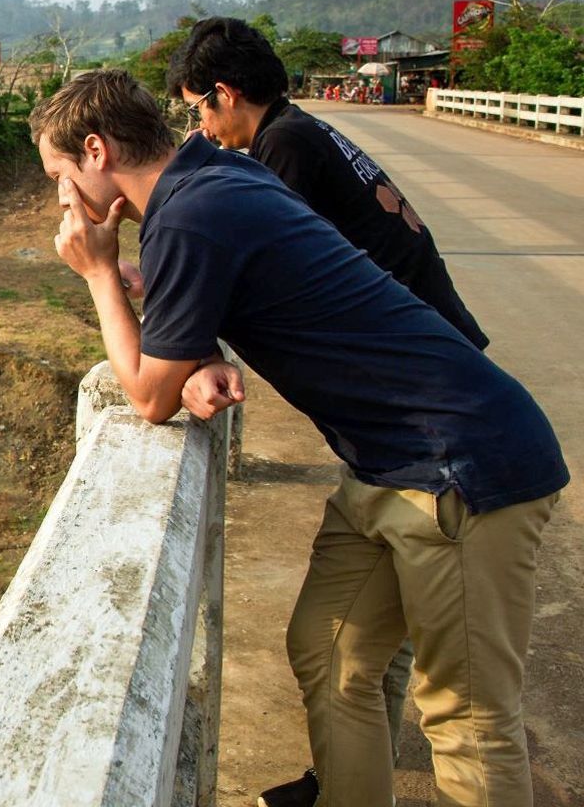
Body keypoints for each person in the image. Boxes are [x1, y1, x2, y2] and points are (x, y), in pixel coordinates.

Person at [33, 69, 565, 807]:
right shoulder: (213, 175)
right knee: (332, 651)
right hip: (389, 464)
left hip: (461, 466)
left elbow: (150, 397)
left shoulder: (189, 214)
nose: (63, 200)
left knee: (468, 722)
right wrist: (200, 351)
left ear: (95, 150)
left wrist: (97, 273)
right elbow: (222, 297)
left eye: (61, 177)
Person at [168, 18, 492, 806]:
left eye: (200, 113)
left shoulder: (284, 151)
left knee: (428, 676)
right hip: (424, 384)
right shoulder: (302, 135)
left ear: (227, 93)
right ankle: (344, 777)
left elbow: (263, 265)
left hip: (424, 408)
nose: (203, 132)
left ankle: (346, 779)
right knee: (364, 640)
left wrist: (189, 329)